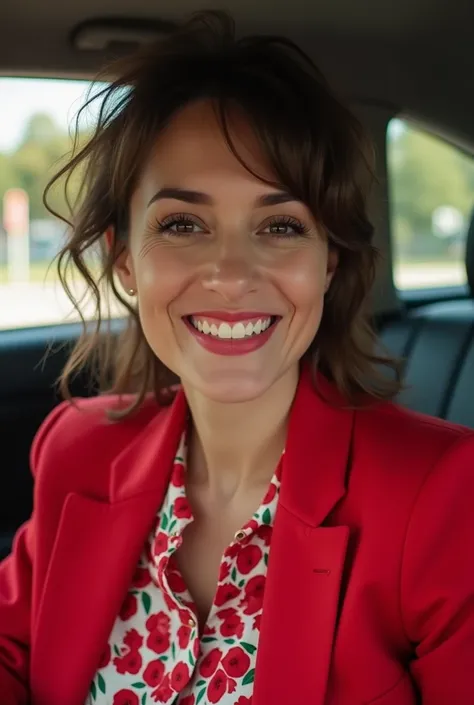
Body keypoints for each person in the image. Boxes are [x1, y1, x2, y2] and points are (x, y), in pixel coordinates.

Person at [1, 10, 473, 705]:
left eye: (280, 225)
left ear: (329, 264)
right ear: (125, 259)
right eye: (183, 224)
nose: (230, 272)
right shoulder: (77, 451)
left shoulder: (442, 496)